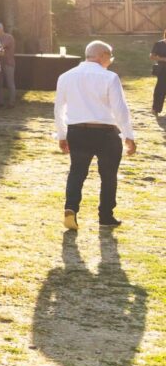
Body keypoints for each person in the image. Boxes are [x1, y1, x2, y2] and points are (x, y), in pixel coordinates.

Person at [55, 40, 136, 231]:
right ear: (103, 56)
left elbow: (59, 108)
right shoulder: (110, 77)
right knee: (108, 175)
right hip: (106, 133)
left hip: (77, 130)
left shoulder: (66, 76)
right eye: (110, 57)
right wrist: (129, 135)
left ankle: (71, 208)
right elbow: (120, 109)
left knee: (77, 172)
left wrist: (62, 134)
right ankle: (106, 215)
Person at [0, 23, 18, 108]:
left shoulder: (8, 37)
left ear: (1, 28)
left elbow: (1, 46)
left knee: (10, 83)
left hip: (8, 63)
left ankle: (12, 102)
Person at [153, 27, 166, 117]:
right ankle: (156, 108)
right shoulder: (159, 44)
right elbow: (152, 56)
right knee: (160, 89)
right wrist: (164, 59)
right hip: (162, 70)